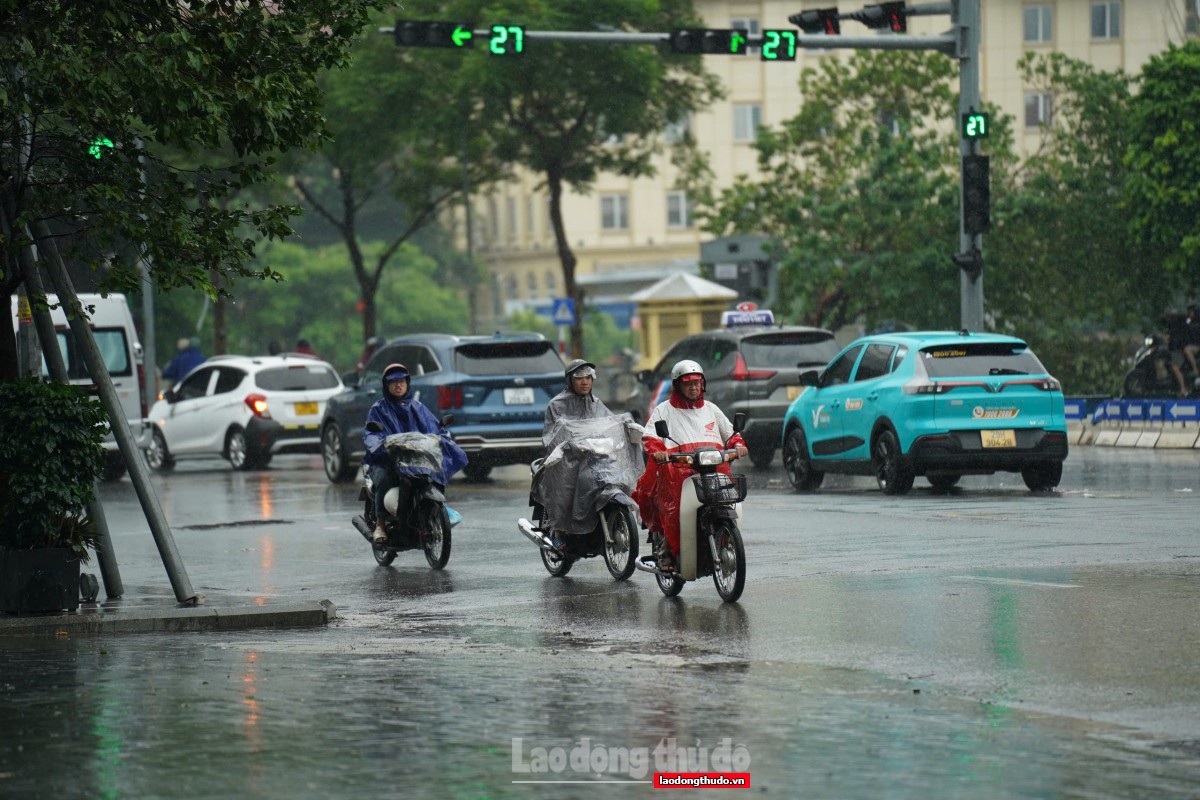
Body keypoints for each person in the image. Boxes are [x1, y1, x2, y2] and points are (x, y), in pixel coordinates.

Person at [633, 359, 747, 572]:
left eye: (697, 383)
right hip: (678, 473)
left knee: (727, 502)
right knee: (674, 509)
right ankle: (667, 549)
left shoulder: (711, 409)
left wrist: (738, 444)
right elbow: (649, 436)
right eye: (688, 384)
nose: (694, 387)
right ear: (677, 385)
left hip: (714, 470)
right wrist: (659, 451)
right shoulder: (664, 410)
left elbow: (731, 433)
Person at [362, 363, 467, 543]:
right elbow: (371, 434)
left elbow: (435, 428)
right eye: (393, 382)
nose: (398, 385)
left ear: (408, 383)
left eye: (402, 381)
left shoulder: (418, 407)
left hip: (415, 459)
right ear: (386, 385)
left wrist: (443, 437)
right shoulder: (378, 409)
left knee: (435, 470)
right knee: (385, 477)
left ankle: (435, 511)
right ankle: (380, 524)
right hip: (388, 459)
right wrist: (380, 444)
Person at [542, 359, 612, 448]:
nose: (585, 382)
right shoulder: (556, 404)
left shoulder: (595, 402)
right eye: (579, 378)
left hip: (594, 454)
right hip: (567, 457)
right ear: (569, 380)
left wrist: (626, 426)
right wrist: (570, 446)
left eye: (588, 378)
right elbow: (549, 438)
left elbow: (611, 424)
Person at [1164, 311, 1190, 398]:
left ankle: (1183, 388)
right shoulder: (1173, 328)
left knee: (1175, 367)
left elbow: (1177, 342)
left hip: (1178, 351)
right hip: (1174, 350)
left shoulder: (1179, 328)